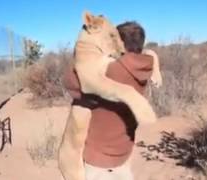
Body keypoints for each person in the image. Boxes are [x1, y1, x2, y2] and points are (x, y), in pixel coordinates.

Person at [63, 21, 157, 180]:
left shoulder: (109, 71)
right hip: (123, 155)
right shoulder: (144, 67)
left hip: (98, 162)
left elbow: (69, 80)